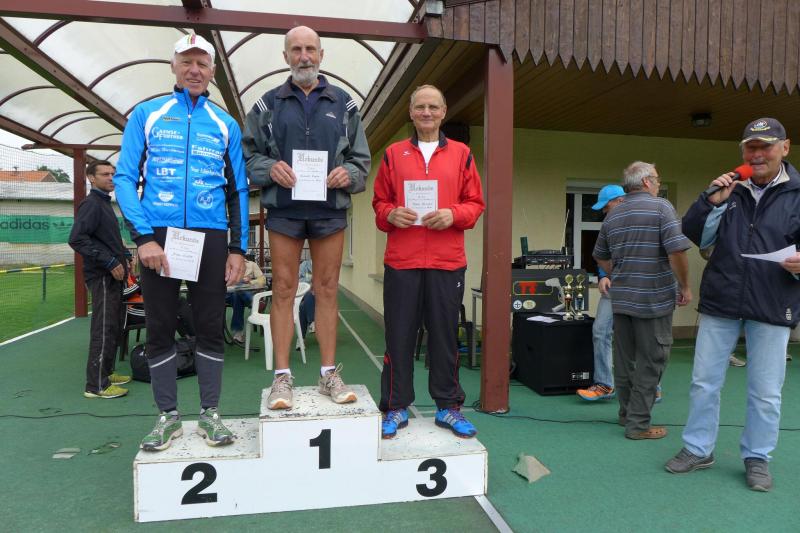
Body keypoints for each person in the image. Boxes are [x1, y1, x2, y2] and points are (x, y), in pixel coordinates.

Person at [114, 33, 248, 451]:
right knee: (159, 326)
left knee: (209, 325)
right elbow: (124, 179)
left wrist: (238, 249)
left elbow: (238, 190)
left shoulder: (226, 124)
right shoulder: (147, 114)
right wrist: (143, 237)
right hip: (159, 237)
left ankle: (210, 413)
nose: (194, 70)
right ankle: (167, 416)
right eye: (186, 62)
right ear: (173, 66)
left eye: (202, 64)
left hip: (210, 237)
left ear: (212, 72)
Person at [666, 118, 800, 492]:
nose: (757, 154)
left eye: (765, 146)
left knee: (766, 391)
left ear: (784, 148)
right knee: (703, 382)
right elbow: (694, 233)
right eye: (750, 147)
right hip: (722, 298)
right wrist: (709, 202)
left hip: (772, 301)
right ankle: (698, 449)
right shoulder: (730, 189)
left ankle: (757, 457)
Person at [242, 25, 370, 410]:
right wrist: (268, 168)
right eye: (296, 49)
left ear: (321, 55)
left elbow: (361, 161)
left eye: (310, 49)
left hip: (329, 211)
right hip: (285, 211)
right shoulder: (266, 105)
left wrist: (349, 174)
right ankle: (282, 379)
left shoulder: (344, 104)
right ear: (285, 56)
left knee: (326, 288)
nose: (304, 56)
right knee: (283, 288)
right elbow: (247, 157)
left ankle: (328, 373)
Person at [373, 84, 485, 439]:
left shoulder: (462, 154)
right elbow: (379, 203)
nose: (426, 112)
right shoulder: (393, 154)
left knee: (444, 338)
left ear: (443, 112)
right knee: (399, 336)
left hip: (446, 262)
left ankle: (448, 407)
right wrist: (391, 214)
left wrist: (453, 215)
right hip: (402, 261)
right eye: (420, 106)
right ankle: (395, 407)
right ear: (411, 112)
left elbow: (475, 203)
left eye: (433, 107)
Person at [593, 161, 691, 440]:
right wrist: (685, 285)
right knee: (652, 360)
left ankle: (626, 415)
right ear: (647, 182)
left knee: (625, 361)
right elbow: (677, 252)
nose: (658, 183)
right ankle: (638, 425)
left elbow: (600, 255)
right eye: (657, 179)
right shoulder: (661, 208)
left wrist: (619, 274)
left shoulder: (613, 214)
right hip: (654, 300)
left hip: (622, 300)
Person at [69, 160, 131, 399]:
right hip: (102, 276)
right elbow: (77, 239)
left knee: (113, 325)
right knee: (103, 327)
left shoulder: (104, 203)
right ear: (91, 178)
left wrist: (124, 255)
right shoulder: (92, 204)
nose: (111, 178)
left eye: (113, 173)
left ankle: (107, 372)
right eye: (105, 174)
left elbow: (106, 239)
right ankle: (96, 386)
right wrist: (110, 262)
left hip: (113, 275)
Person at [576, 185, 625, 401]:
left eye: (606, 206)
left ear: (620, 201)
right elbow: (601, 253)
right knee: (600, 330)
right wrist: (603, 275)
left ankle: (652, 387)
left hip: (640, 287)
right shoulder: (608, 224)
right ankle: (605, 384)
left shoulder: (643, 219)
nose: (604, 211)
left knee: (640, 335)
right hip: (613, 285)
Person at [228, 256, 264, 343]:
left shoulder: (252, 265)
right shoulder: (227, 265)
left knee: (237, 294)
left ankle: (238, 333)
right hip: (228, 293)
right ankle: (252, 302)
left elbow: (263, 280)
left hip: (241, 292)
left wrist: (250, 281)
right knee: (238, 288)